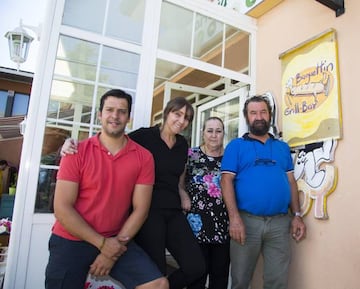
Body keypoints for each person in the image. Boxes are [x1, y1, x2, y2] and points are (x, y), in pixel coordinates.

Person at [60, 96, 206, 289]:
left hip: (173, 210)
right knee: (157, 271)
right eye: (177, 114)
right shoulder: (145, 136)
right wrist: (73, 143)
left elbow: (179, 173)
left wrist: (181, 191)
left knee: (197, 267)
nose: (181, 120)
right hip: (147, 213)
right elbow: (111, 137)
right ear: (166, 113)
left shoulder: (182, 145)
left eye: (186, 118)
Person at [45, 89, 168, 289]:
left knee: (158, 284)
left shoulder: (144, 157)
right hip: (71, 238)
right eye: (109, 110)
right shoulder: (76, 152)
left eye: (122, 111)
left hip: (116, 237)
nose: (115, 116)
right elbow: (62, 208)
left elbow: (141, 210)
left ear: (128, 117)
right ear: (100, 114)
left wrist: (114, 248)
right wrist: (103, 245)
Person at [220, 95, 306, 289]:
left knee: (277, 281)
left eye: (263, 112)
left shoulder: (282, 147)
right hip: (246, 223)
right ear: (246, 117)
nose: (259, 117)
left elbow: (291, 182)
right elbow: (226, 181)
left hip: (280, 224)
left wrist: (297, 215)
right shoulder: (236, 146)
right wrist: (234, 219)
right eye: (253, 113)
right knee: (241, 280)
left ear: (269, 115)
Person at [179, 116, 230, 289]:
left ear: (224, 134)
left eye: (218, 131)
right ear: (202, 133)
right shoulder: (190, 155)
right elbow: (179, 184)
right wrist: (183, 195)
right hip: (196, 227)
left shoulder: (230, 158)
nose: (214, 135)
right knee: (197, 276)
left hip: (223, 227)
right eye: (210, 131)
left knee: (220, 275)